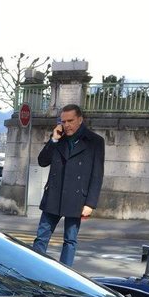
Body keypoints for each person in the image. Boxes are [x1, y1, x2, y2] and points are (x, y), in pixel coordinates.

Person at [32, 104, 105, 267]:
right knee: (41, 237)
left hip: (76, 197)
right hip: (54, 195)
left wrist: (90, 203)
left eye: (70, 121)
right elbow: (42, 161)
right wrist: (54, 139)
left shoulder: (95, 141)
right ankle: (33, 270)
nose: (66, 125)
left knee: (70, 240)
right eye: (63, 121)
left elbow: (97, 174)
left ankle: (65, 274)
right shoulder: (59, 139)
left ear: (80, 119)